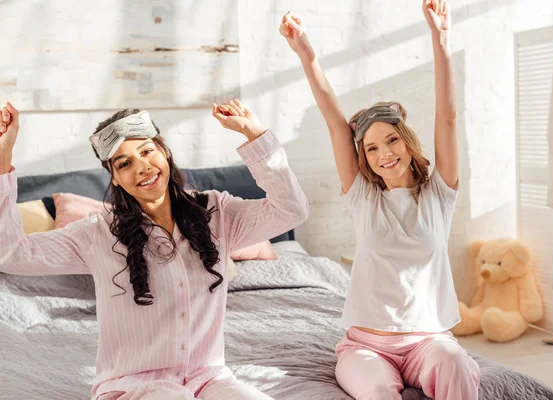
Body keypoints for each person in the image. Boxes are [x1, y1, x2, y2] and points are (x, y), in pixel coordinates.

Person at [0, 99, 309, 400]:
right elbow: (13, 253)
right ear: (116, 180)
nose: (143, 167)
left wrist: (254, 135)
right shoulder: (97, 232)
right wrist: (3, 159)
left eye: (147, 151)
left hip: (209, 380)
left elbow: (291, 210)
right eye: (124, 163)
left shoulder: (216, 211)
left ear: (165, 153)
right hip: (131, 388)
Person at [279, 1, 479, 398]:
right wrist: (306, 52)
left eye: (391, 140)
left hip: (429, 342)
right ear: (364, 159)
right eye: (371, 148)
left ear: (406, 141)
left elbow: (448, 118)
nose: (384, 153)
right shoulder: (363, 198)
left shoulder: (440, 195)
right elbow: (337, 125)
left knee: (456, 364)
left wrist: (440, 39)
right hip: (367, 346)